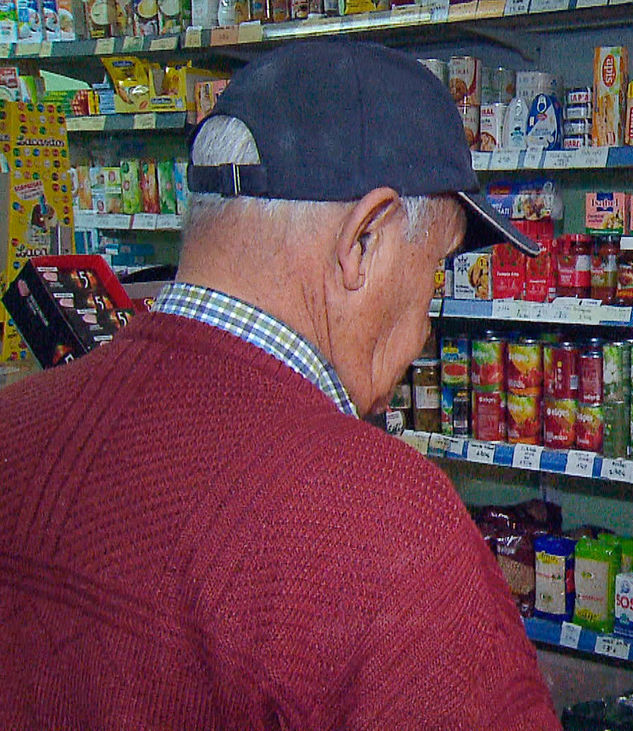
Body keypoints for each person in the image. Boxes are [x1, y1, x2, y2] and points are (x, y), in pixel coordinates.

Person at [0, 41, 561, 730]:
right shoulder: (387, 527)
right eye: (437, 270)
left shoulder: (14, 425)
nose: (423, 333)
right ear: (363, 241)